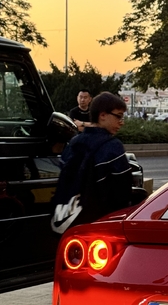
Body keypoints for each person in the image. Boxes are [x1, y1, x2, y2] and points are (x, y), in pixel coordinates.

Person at [51, 92, 132, 233]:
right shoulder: (113, 146)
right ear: (102, 115)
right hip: (96, 224)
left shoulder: (74, 142)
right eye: (118, 116)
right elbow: (122, 193)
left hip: (64, 220)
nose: (121, 122)